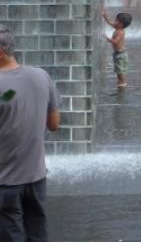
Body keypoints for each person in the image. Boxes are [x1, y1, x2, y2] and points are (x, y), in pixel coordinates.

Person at [0, 26, 60, 241]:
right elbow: (53, 124)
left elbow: (7, 98)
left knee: (10, 233)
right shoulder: (41, 76)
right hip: (36, 175)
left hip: (5, 180)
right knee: (37, 232)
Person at [101, 10, 132, 88]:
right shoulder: (117, 27)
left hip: (121, 54)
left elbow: (115, 42)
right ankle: (119, 80)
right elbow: (109, 23)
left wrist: (106, 38)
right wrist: (105, 16)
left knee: (120, 69)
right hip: (117, 53)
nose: (114, 22)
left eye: (116, 20)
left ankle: (124, 82)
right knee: (118, 69)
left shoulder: (120, 32)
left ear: (121, 24)